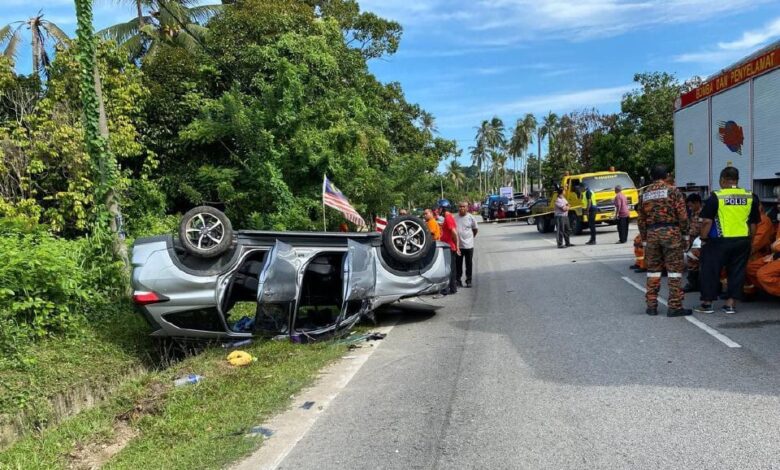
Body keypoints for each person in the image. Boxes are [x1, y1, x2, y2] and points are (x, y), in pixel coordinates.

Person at [695, 166, 761, 314]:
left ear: (722, 180)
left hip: (719, 241)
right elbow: (754, 223)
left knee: (710, 271)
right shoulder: (750, 196)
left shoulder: (716, 197)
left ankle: (707, 304)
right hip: (742, 240)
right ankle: (731, 304)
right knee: (737, 272)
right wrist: (750, 240)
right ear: (737, 180)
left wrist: (703, 239)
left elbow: (706, 222)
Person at [637, 164, 691, 317]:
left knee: (653, 271)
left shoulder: (644, 193)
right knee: (674, 272)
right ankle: (674, 307)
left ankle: (651, 306)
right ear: (667, 175)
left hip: (652, 234)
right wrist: (685, 235)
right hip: (671, 234)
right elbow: (682, 215)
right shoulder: (673, 191)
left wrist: (645, 240)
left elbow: (641, 220)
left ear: (652, 177)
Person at [743, 203, 775, 295]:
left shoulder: (763, 220)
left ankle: (757, 289)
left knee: (749, 265)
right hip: (752, 250)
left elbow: (757, 242)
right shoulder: (747, 219)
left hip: (759, 253)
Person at [438, 200, 460, 295]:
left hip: (450, 248)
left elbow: (454, 233)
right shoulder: (447, 218)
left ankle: (447, 289)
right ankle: (452, 288)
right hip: (449, 247)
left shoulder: (448, 218)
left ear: (443, 208)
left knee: (448, 269)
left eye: (439, 208)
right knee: (451, 268)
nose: (438, 210)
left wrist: (457, 246)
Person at [455, 202, 478, 287]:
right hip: (458, 246)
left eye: (464, 206)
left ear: (467, 208)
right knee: (458, 264)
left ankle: (469, 281)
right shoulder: (455, 218)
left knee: (468, 264)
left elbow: (475, 229)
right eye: (460, 206)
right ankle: (458, 280)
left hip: (469, 246)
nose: (462, 208)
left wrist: (471, 238)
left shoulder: (471, 217)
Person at [683, 193, 703, 292]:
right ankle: (694, 283)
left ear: (697, 203)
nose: (690, 208)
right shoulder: (693, 213)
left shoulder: (704, 213)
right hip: (694, 241)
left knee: (695, 260)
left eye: (691, 205)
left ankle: (696, 284)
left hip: (701, 241)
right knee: (692, 261)